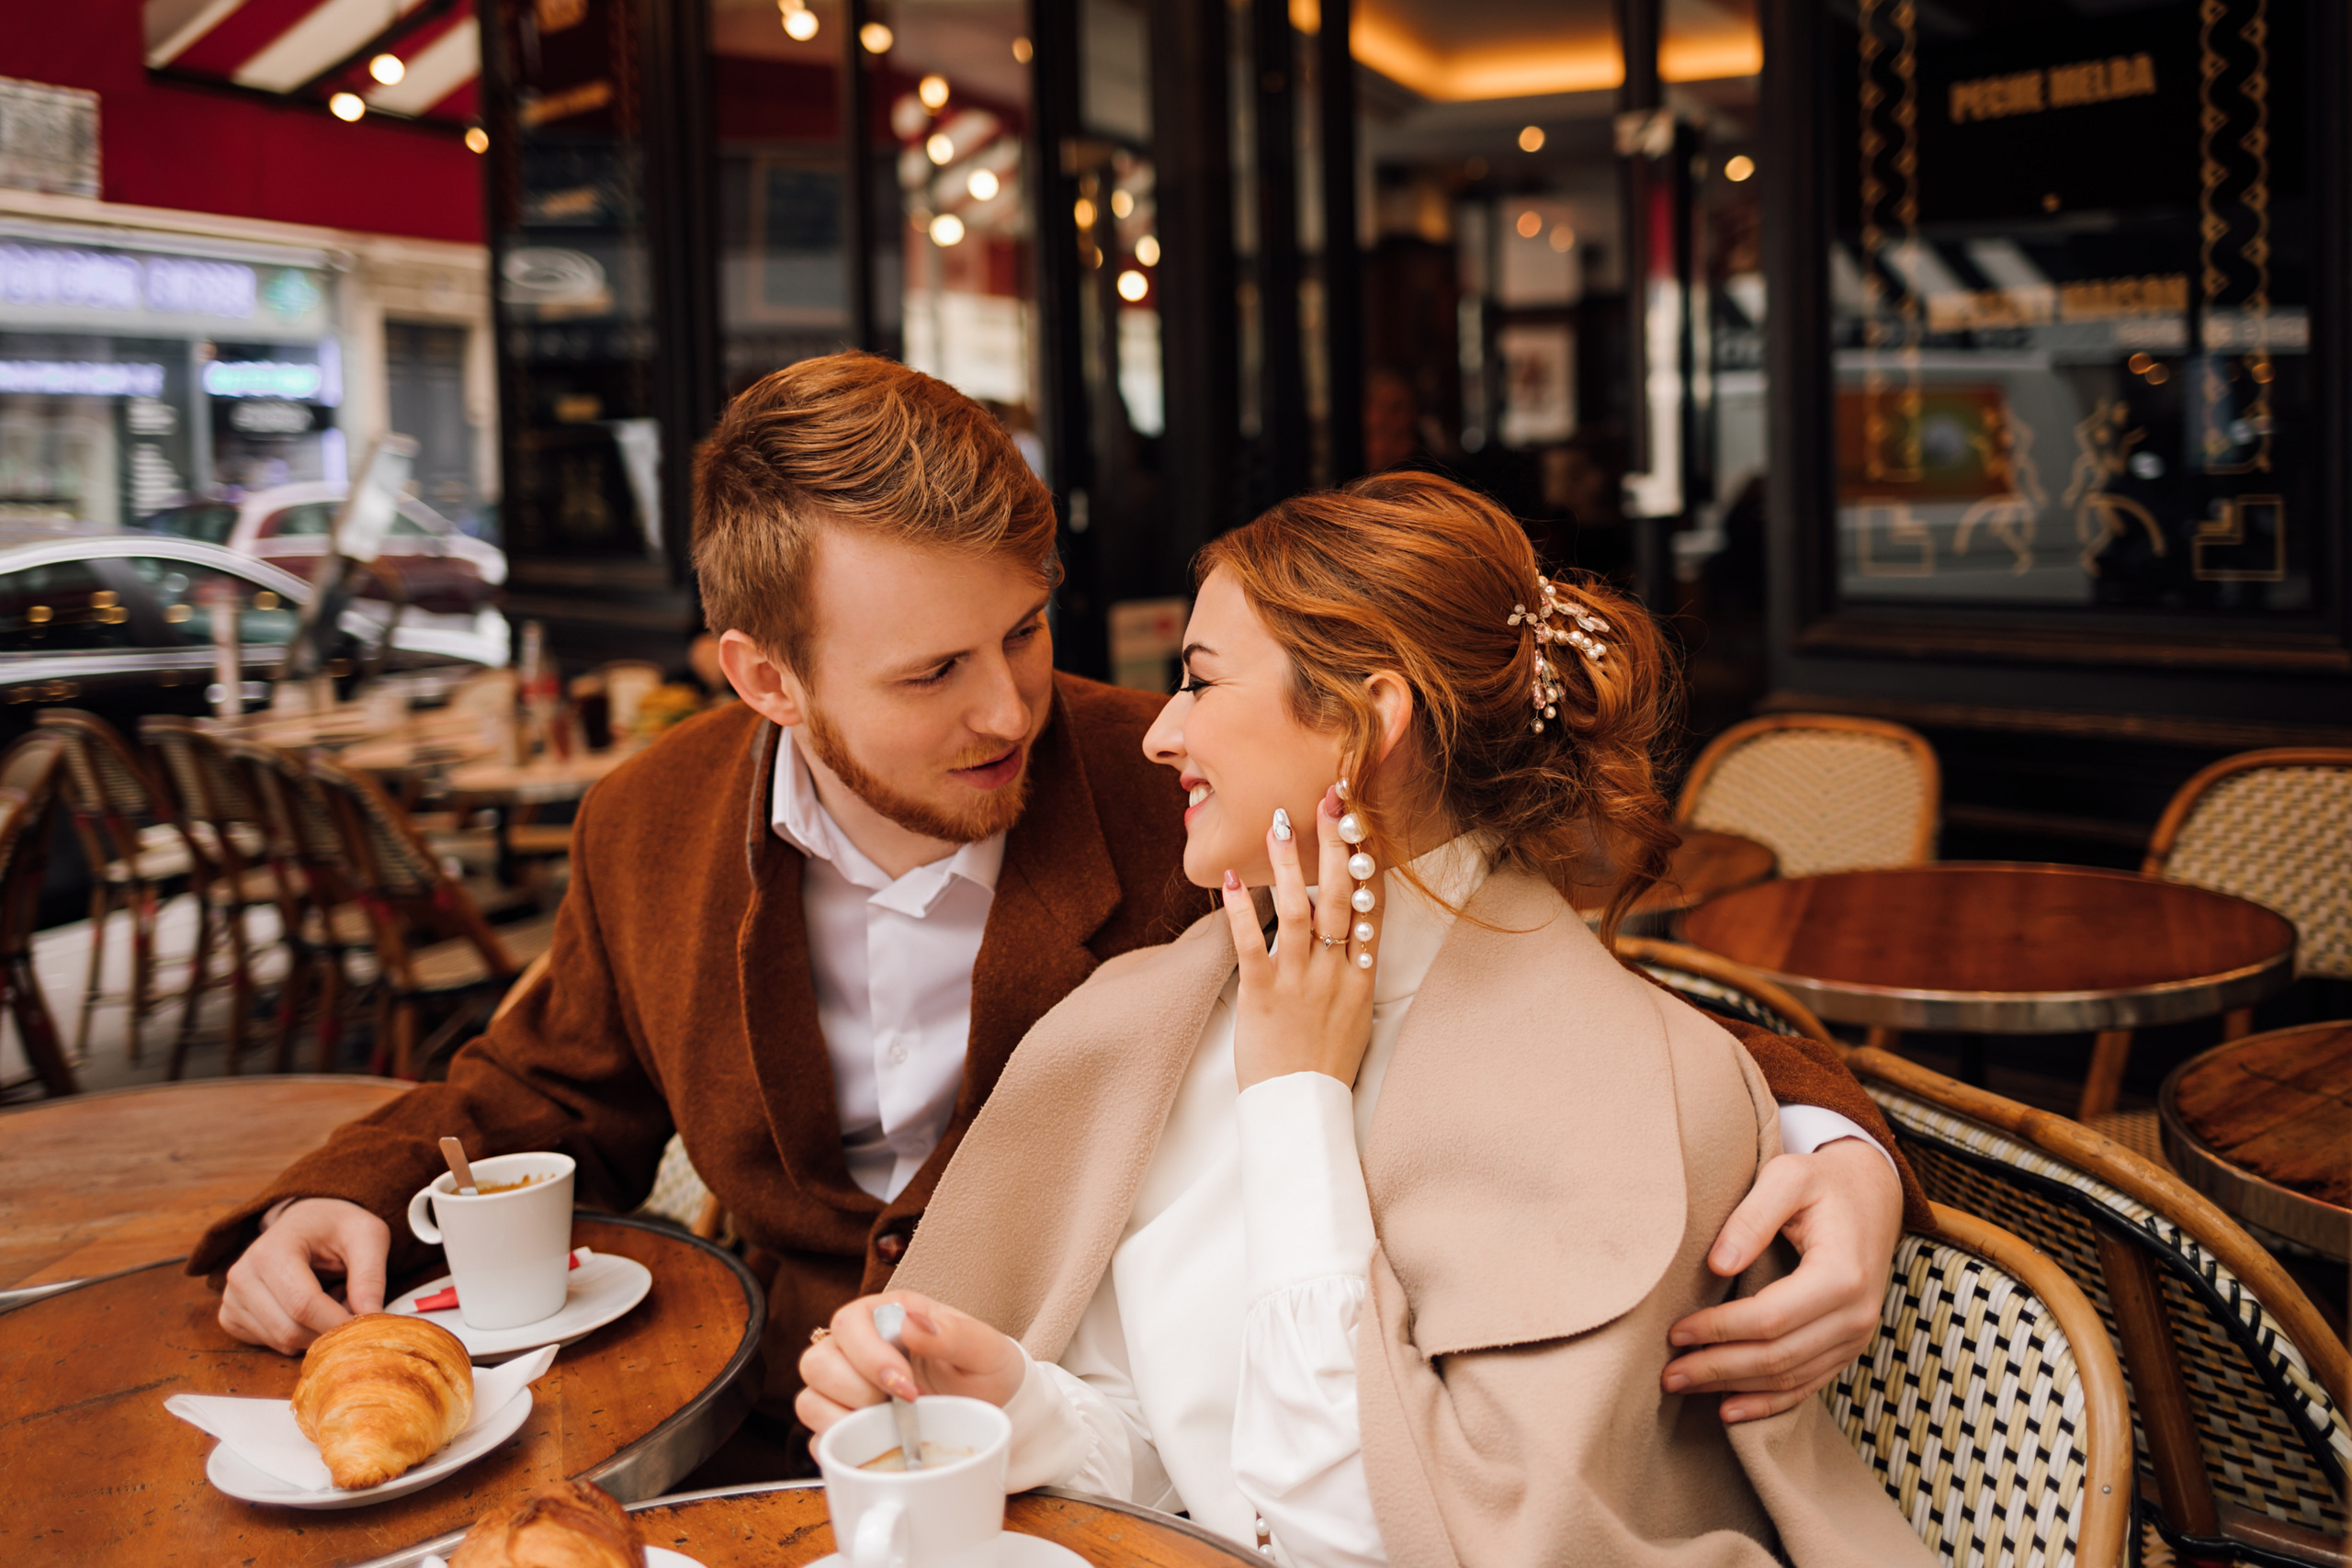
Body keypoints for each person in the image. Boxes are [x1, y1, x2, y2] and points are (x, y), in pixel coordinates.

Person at [189, 355, 1911, 1453]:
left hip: (1086, 1442)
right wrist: (323, 1202)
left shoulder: (1191, 784)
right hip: (755, 1425)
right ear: (764, 675)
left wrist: (1842, 1153)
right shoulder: (648, 818)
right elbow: (532, 1094)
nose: (1012, 707)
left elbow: (1565, 984)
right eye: (934, 669)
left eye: (1025, 627)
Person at [797, 471, 1933, 1565]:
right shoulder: (1158, 1012)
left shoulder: (1632, 1091)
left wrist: (1297, 1103)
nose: (1159, 735)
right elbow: (1203, 1470)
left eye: (1198, 682)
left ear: (1360, 724)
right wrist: (1024, 1406)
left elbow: (1394, 1541)